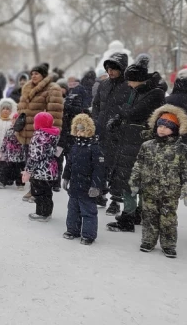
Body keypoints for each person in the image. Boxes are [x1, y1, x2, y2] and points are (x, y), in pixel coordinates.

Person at [106, 58, 165, 230]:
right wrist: (119, 118)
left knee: (132, 180)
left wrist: (122, 114)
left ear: (139, 79)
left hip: (140, 141)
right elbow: (128, 110)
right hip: (129, 140)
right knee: (131, 179)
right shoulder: (138, 90)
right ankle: (136, 214)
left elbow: (133, 112)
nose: (128, 85)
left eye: (130, 80)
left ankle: (128, 219)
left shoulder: (155, 93)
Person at [127, 105, 187, 258]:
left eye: (167, 127)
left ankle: (168, 244)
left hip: (170, 191)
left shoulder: (184, 150)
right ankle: (148, 240)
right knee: (149, 216)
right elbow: (139, 165)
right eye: (160, 126)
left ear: (175, 129)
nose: (162, 129)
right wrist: (135, 182)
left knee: (168, 219)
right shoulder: (147, 146)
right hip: (149, 189)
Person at [16, 63, 64, 201]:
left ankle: (40, 192)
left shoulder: (52, 89)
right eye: (32, 73)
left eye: (36, 73)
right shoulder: (26, 87)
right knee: (30, 163)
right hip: (26, 131)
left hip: (42, 136)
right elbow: (21, 109)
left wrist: (51, 135)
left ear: (43, 75)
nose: (33, 76)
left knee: (42, 164)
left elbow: (55, 115)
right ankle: (33, 188)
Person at [91, 52, 130, 214]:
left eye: (114, 68)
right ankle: (100, 192)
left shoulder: (129, 86)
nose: (110, 72)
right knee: (101, 164)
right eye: (108, 68)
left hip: (119, 133)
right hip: (102, 131)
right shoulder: (104, 85)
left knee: (117, 168)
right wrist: (96, 122)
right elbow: (96, 105)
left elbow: (129, 110)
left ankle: (115, 200)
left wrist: (119, 122)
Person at [62, 114, 105, 245]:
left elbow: (99, 168)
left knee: (88, 212)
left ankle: (88, 235)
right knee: (73, 210)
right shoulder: (75, 147)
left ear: (89, 130)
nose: (79, 133)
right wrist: (66, 177)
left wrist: (96, 186)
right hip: (75, 186)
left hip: (87, 187)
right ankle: (72, 230)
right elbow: (69, 163)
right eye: (77, 130)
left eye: (82, 130)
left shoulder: (95, 148)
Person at [23, 112, 60, 222]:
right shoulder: (53, 135)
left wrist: (28, 170)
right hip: (50, 169)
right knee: (47, 192)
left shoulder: (39, 136)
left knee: (38, 192)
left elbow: (35, 156)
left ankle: (42, 213)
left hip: (40, 171)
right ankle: (47, 212)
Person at [0, 113, 26, 189]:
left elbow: (24, 142)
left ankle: (20, 183)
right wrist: (1, 150)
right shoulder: (9, 130)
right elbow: (5, 141)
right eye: (13, 119)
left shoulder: (22, 131)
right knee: (7, 168)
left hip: (20, 155)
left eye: (16, 119)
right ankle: (3, 181)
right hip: (9, 154)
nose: (14, 121)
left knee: (19, 170)